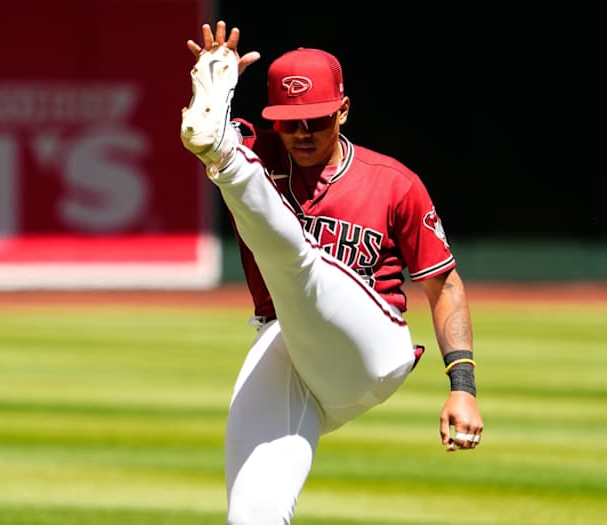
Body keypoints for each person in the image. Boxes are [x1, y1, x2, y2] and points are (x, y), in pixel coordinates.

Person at [180, 20, 484, 525]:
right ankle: (221, 160)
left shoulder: (394, 184)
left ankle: (222, 162)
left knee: (298, 260)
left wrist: (463, 386)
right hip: (290, 345)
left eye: (316, 119)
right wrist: (215, 84)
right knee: (251, 514)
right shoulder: (262, 152)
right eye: (288, 120)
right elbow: (208, 125)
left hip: (370, 350)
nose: (301, 132)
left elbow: (443, 284)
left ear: (343, 110)